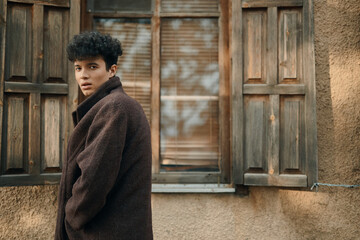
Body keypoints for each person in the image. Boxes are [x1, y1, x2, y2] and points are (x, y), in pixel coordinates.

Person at [55, 31, 153, 240]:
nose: (83, 75)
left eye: (92, 66)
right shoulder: (112, 106)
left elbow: (94, 180)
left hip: (104, 232)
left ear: (111, 70)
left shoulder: (114, 107)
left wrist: (72, 216)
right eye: (78, 68)